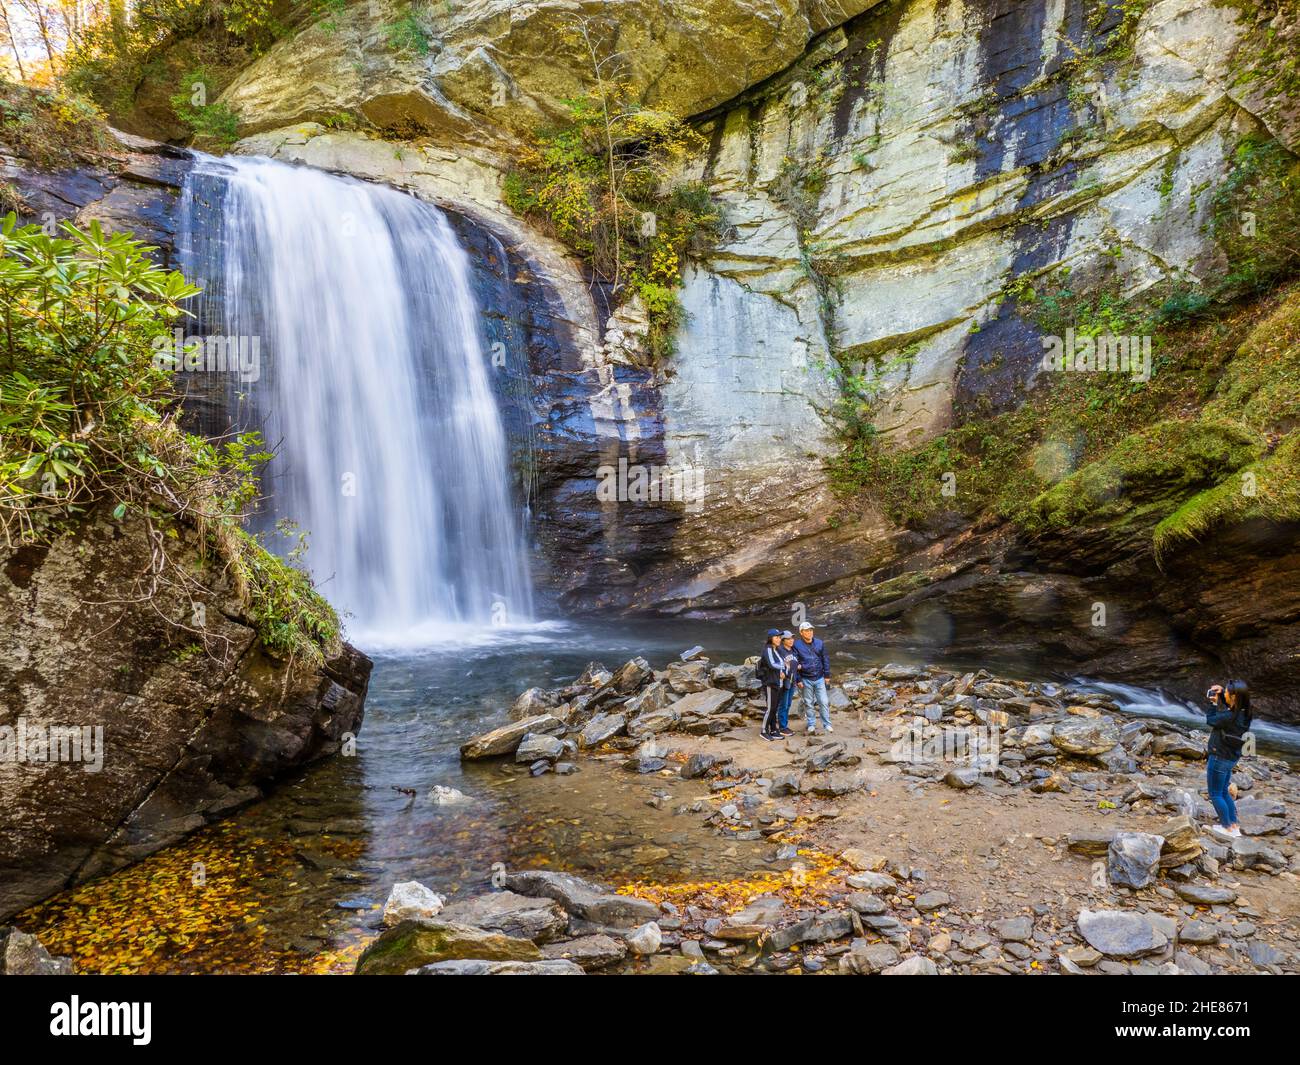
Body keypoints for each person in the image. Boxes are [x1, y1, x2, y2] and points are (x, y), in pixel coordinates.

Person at [1204, 680, 1253, 842]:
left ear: (1233, 696)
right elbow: (1232, 708)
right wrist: (1223, 697)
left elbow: (1211, 719)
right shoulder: (1245, 713)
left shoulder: (1228, 716)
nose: (1223, 692)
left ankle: (1227, 827)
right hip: (1231, 756)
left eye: (1226, 691)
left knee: (1215, 794)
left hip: (1219, 756)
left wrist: (1212, 703)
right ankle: (1233, 826)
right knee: (1224, 791)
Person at [791, 622, 832, 735]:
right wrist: (798, 679)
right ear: (801, 632)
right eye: (807, 630)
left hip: (819, 677)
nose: (809, 632)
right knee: (808, 703)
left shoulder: (819, 643)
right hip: (805, 678)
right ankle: (811, 724)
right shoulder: (797, 645)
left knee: (824, 701)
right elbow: (795, 663)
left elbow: (825, 659)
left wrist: (827, 676)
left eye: (811, 630)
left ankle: (827, 724)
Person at [757, 629, 785, 741]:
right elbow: (772, 664)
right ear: (770, 638)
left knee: (774, 708)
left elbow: (779, 664)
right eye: (776, 637)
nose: (779, 639)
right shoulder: (768, 649)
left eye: (779, 637)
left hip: (778, 682)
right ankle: (764, 731)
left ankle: (773, 730)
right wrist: (784, 666)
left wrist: (782, 671)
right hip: (770, 682)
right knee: (770, 708)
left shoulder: (776, 649)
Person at [775, 631, 797, 736]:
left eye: (792, 638)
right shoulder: (780, 650)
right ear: (783, 640)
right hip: (784, 682)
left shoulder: (793, 651)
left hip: (792, 681)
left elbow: (794, 664)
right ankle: (782, 727)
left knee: (788, 704)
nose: (791, 640)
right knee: (783, 704)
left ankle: (784, 725)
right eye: (788, 639)